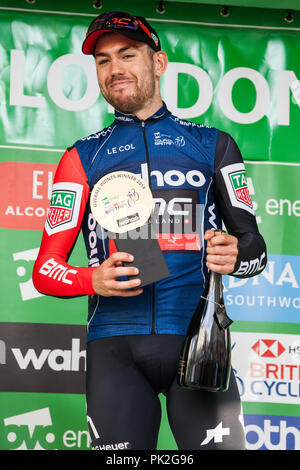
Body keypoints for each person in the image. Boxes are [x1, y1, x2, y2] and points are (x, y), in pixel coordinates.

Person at [33, 11, 267, 450]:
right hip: (115, 353)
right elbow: (45, 270)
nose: (114, 68)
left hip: (199, 347)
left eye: (127, 54)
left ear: (157, 63)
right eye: (103, 60)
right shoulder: (80, 158)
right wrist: (92, 279)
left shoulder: (215, 145)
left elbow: (256, 248)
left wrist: (236, 256)